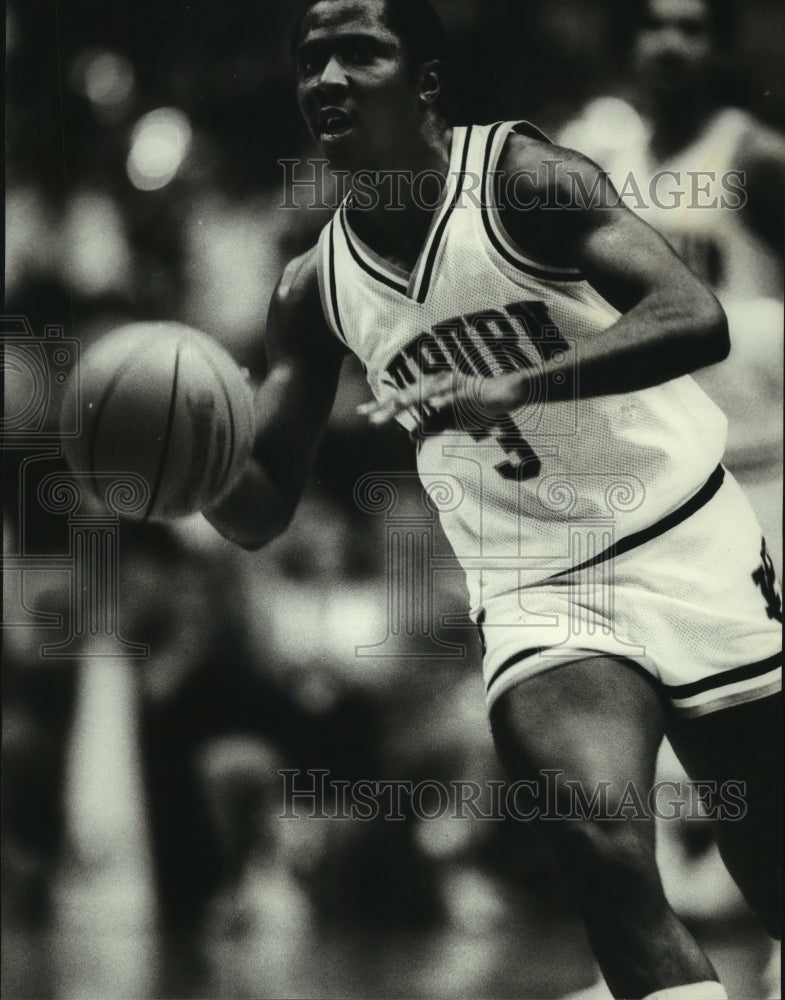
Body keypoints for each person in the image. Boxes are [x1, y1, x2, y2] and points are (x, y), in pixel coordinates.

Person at [205, 2, 782, 998]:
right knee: (602, 848)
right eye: (312, 60)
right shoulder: (313, 287)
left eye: (358, 53)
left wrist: (524, 383)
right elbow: (258, 506)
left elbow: (694, 315)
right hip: (534, 586)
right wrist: (187, 474)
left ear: (423, 81)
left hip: (680, 531)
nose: (328, 77)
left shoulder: (524, 179)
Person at [559, 0, 785, 576]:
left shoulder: (755, 155)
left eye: (691, 29)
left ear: (719, 47)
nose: (669, 44)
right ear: (628, 44)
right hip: (658, 463)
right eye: (653, 26)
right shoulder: (608, 158)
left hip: (761, 456)